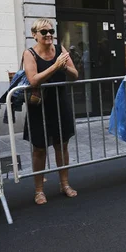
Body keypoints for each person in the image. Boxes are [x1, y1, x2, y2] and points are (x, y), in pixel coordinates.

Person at [24, 18, 79, 205]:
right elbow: (33, 80)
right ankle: (39, 190)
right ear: (34, 35)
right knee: (39, 149)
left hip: (59, 103)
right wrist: (56, 67)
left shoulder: (60, 50)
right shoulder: (29, 53)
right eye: (44, 32)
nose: (48, 35)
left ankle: (65, 184)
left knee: (62, 145)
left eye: (51, 31)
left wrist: (66, 68)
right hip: (39, 106)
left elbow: (75, 75)